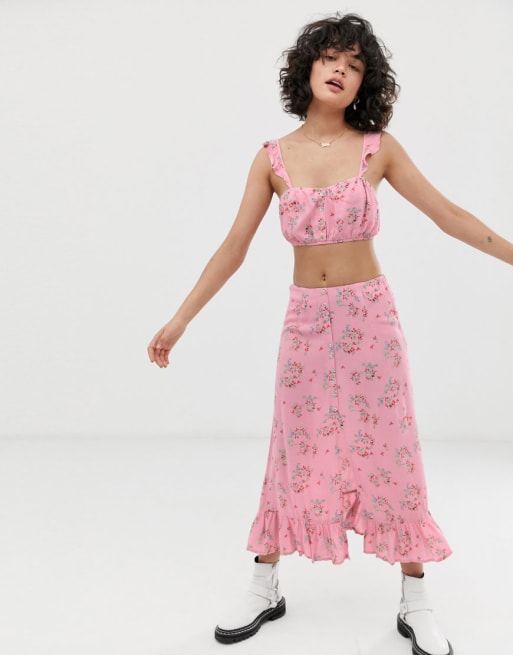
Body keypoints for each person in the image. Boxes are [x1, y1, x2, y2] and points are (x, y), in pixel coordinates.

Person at [148, 13, 513, 655]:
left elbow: (448, 215)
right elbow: (233, 247)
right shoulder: (271, 157)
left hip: (370, 319)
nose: (341, 70)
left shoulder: (378, 147)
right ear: (308, 67)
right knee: (291, 448)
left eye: (355, 65)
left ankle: (416, 599)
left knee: (393, 451)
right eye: (331, 58)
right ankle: (264, 586)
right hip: (306, 324)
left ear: (365, 83)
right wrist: (180, 319)